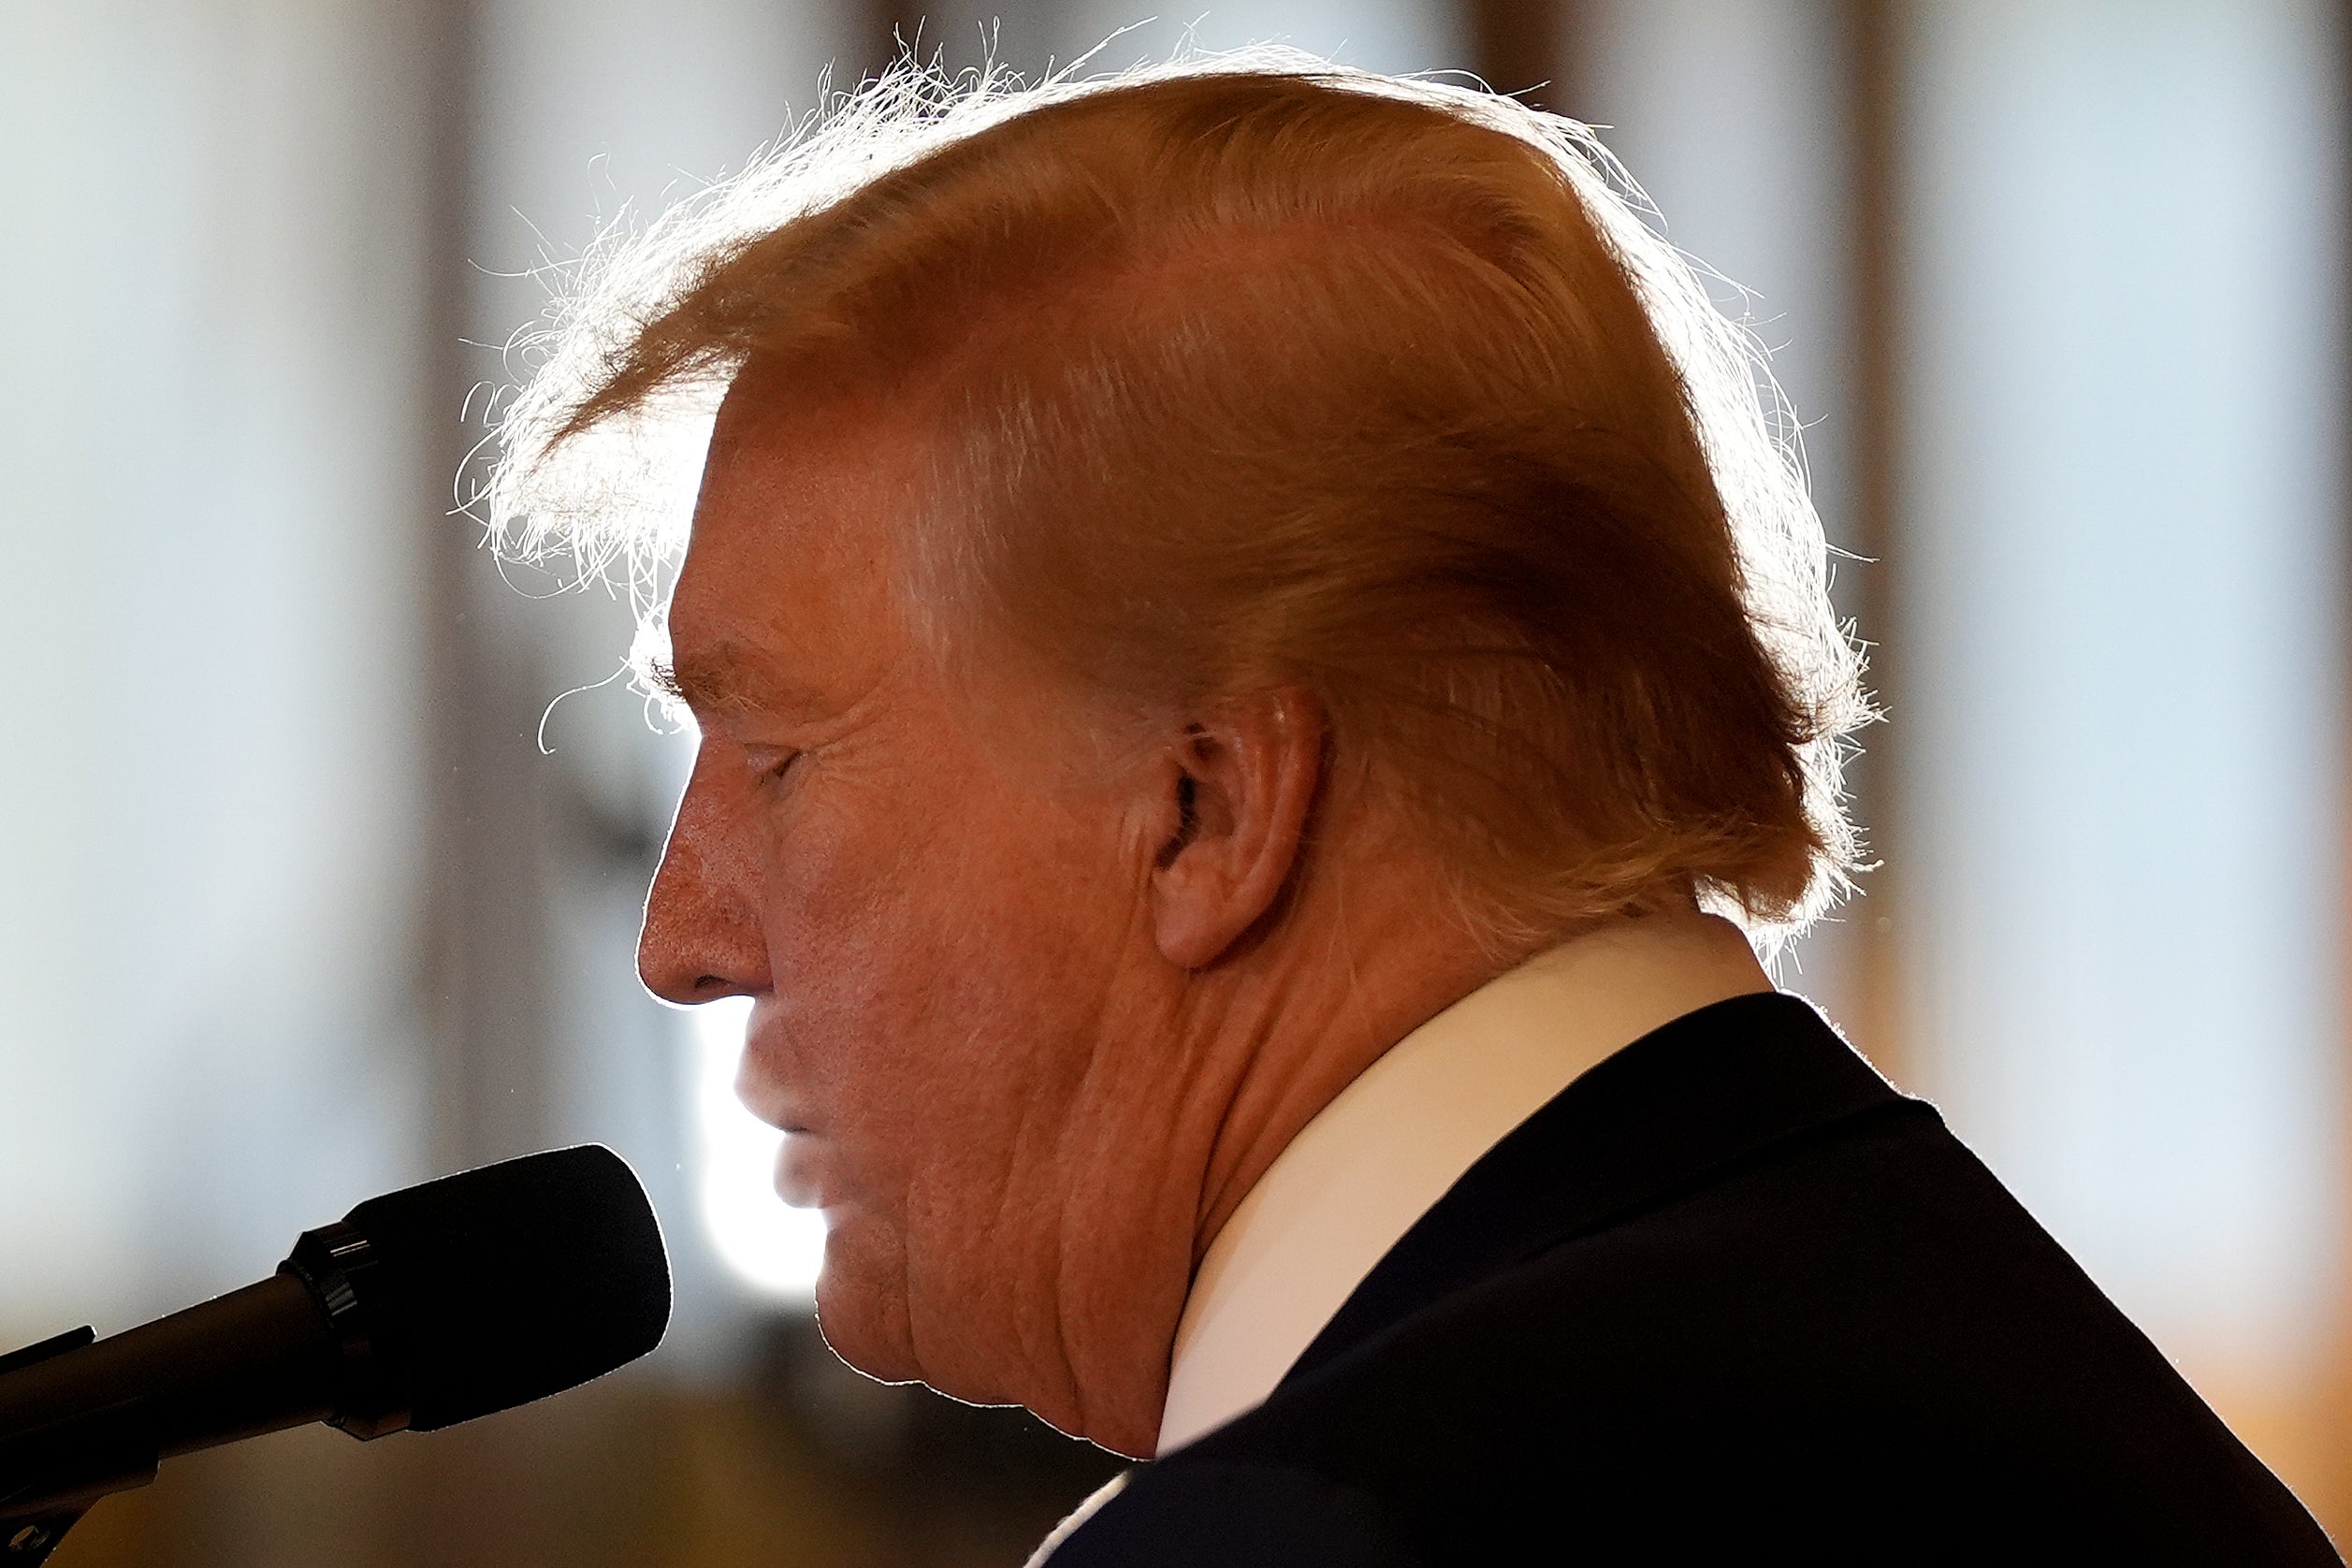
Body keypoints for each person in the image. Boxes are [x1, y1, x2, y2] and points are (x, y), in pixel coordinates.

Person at [486, 54, 2340, 1564]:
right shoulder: (2025, 1395)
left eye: (781, 757)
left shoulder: (1322, 1536)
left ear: (1206, 810)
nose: (682, 939)